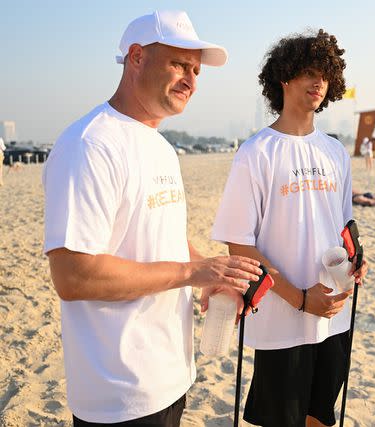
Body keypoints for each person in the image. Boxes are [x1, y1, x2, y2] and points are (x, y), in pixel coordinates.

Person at [42, 10, 263, 426]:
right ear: (137, 57)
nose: (191, 81)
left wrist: (211, 278)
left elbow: (167, 237)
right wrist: (190, 272)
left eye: (196, 71)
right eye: (179, 64)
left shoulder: (159, 144)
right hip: (118, 393)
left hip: (172, 376)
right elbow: (73, 276)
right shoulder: (90, 144)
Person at [211, 29, 368, 427]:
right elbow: (239, 245)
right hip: (283, 319)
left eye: (325, 75)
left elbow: (343, 225)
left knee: (320, 418)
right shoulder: (256, 152)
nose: (318, 83)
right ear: (284, 77)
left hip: (333, 314)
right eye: (308, 73)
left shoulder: (335, 151)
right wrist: (299, 298)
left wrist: (356, 259)